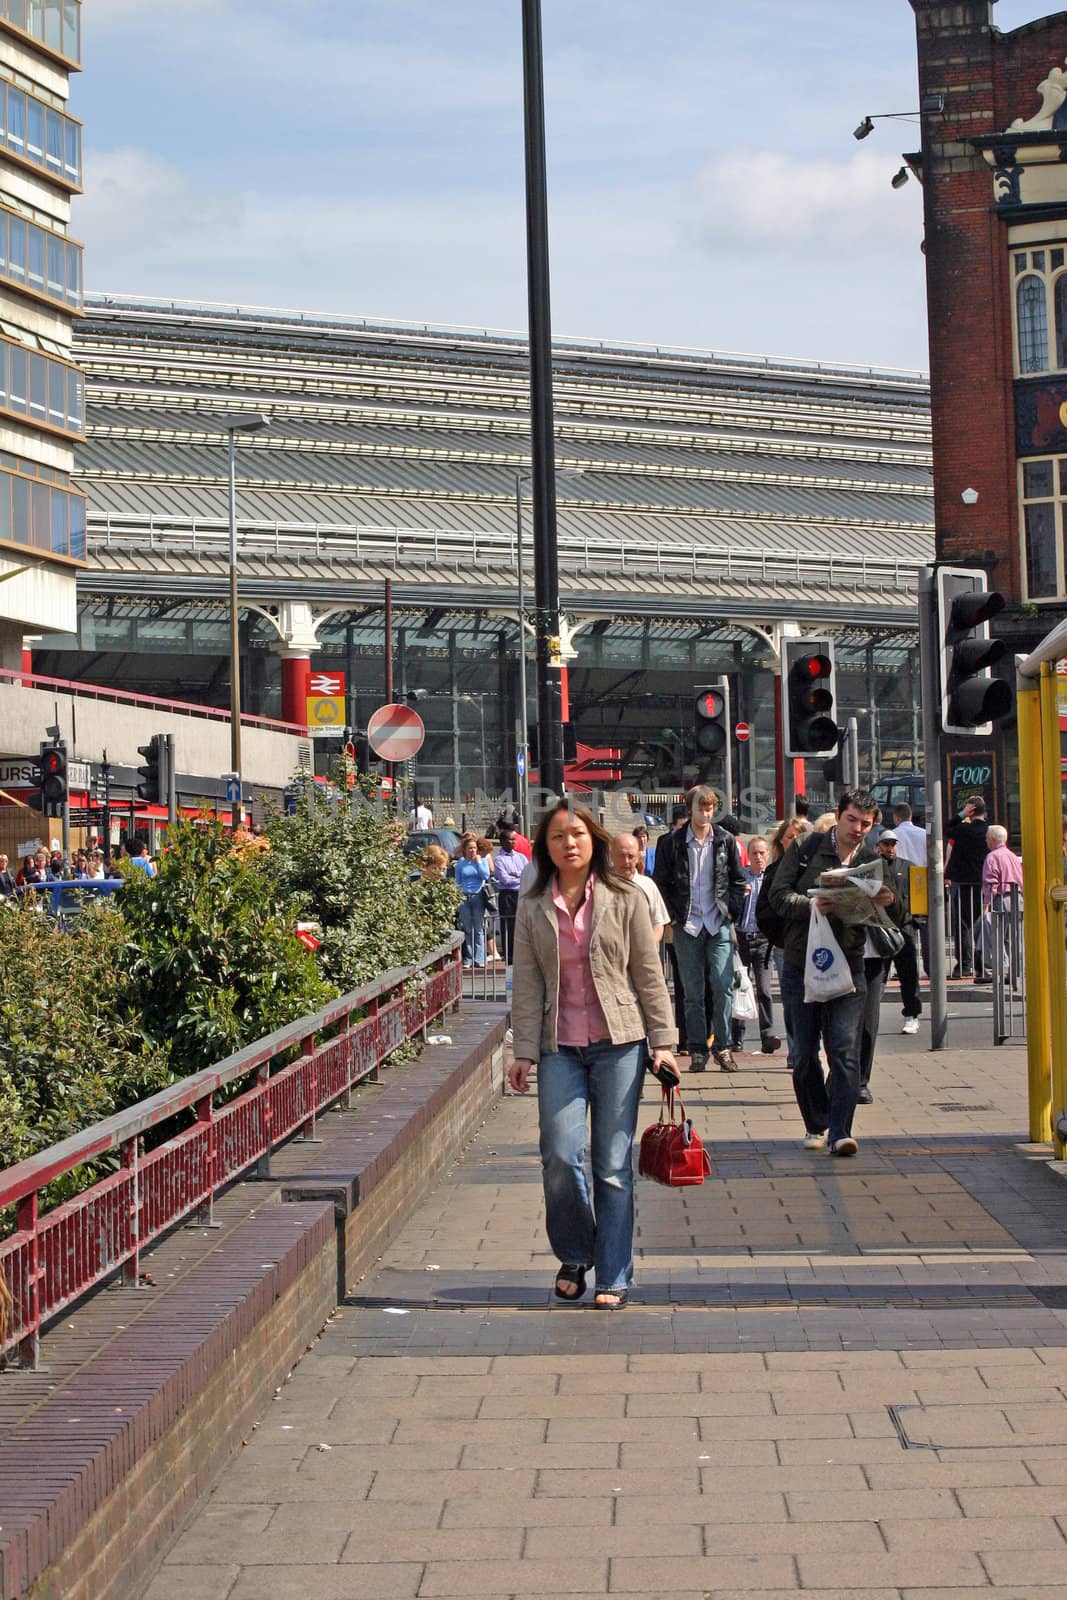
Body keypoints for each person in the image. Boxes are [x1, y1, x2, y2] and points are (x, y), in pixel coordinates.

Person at [507, 801, 676, 1309]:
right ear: (545, 847)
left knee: (610, 1164)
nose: (569, 844)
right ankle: (577, 1251)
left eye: (577, 834)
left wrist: (663, 1042)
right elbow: (528, 982)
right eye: (558, 837)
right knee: (559, 1154)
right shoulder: (533, 903)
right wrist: (522, 1052)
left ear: (594, 840)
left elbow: (648, 972)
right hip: (558, 1047)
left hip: (619, 1045)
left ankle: (614, 1275)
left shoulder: (625, 897)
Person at [769, 788, 900, 1157]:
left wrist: (889, 900)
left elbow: (897, 914)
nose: (858, 829)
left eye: (866, 824)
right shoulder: (807, 847)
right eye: (852, 820)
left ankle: (841, 1131)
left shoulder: (874, 860)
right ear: (839, 816)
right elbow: (778, 896)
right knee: (805, 1053)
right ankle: (816, 1122)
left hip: (851, 963)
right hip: (802, 962)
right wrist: (813, 904)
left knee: (844, 1051)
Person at [653, 784, 746, 1073]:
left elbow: (738, 880)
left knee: (722, 984)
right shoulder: (671, 843)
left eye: (710, 808)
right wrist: (673, 917)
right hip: (688, 922)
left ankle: (723, 1046)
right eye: (701, 808)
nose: (706, 813)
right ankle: (696, 1048)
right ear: (689, 809)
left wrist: (730, 910)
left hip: (717, 921)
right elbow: (661, 882)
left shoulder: (726, 841)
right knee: (692, 990)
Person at [734, 835, 781, 1055]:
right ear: (748, 856)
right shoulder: (741, 877)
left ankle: (767, 1035)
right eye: (754, 853)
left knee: (764, 990)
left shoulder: (771, 877)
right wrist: (739, 897)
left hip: (763, 939)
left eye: (762, 853)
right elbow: (729, 905)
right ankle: (737, 1038)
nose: (759, 857)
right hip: (742, 937)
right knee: (739, 988)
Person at [874, 831, 921, 1037]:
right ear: (879, 846)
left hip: (903, 929)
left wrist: (914, 920)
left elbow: (916, 893)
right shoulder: (874, 866)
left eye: (893, 844)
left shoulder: (907, 866)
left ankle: (912, 1015)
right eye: (886, 844)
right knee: (877, 977)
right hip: (881, 929)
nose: (890, 848)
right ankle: (870, 1016)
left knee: (908, 974)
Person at [945, 795, 989, 980]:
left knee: (963, 924)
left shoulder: (963, 830)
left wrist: (961, 814)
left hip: (963, 882)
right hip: (984, 884)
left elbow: (947, 829)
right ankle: (983, 964)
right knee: (982, 925)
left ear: (970, 811)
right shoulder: (990, 832)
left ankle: (965, 964)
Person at [982, 824, 1023, 985]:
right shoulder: (1013, 856)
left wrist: (986, 904)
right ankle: (1016, 974)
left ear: (992, 839)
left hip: (1002, 899)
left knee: (998, 938)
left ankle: (999, 973)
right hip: (1017, 899)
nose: (986, 841)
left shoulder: (992, 857)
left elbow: (991, 883)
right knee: (1016, 939)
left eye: (987, 838)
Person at [610, 832, 670, 940]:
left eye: (630, 856)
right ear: (612, 855)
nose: (626, 861)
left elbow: (658, 923)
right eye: (621, 856)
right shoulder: (602, 886)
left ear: (638, 857)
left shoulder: (648, 885)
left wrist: (647, 949)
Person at [454, 833, 490, 968]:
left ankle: (479, 958)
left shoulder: (482, 861)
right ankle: (468, 958)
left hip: (478, 896)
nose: (473, 851)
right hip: (464, 896)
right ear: (465, 850)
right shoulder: (461, 864)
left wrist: (479, 862)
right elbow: (457, 882)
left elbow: (485, 875)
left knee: (479, 929)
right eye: (470, 848)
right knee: (467, 929)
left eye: (474, 848)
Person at [493, 824, 527, 963]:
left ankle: (522, 954)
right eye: (509, 840)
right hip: (507, 895)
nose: (513, 842)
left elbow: (527, 874)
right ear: (502, 842)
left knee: (523, 925)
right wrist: (519, 876)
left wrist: (516, 874)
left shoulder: (521, 857)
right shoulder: (499, 859)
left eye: (514, 840)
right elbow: (505, 880)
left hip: (522, 893)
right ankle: (510, 955)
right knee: (509, 925)